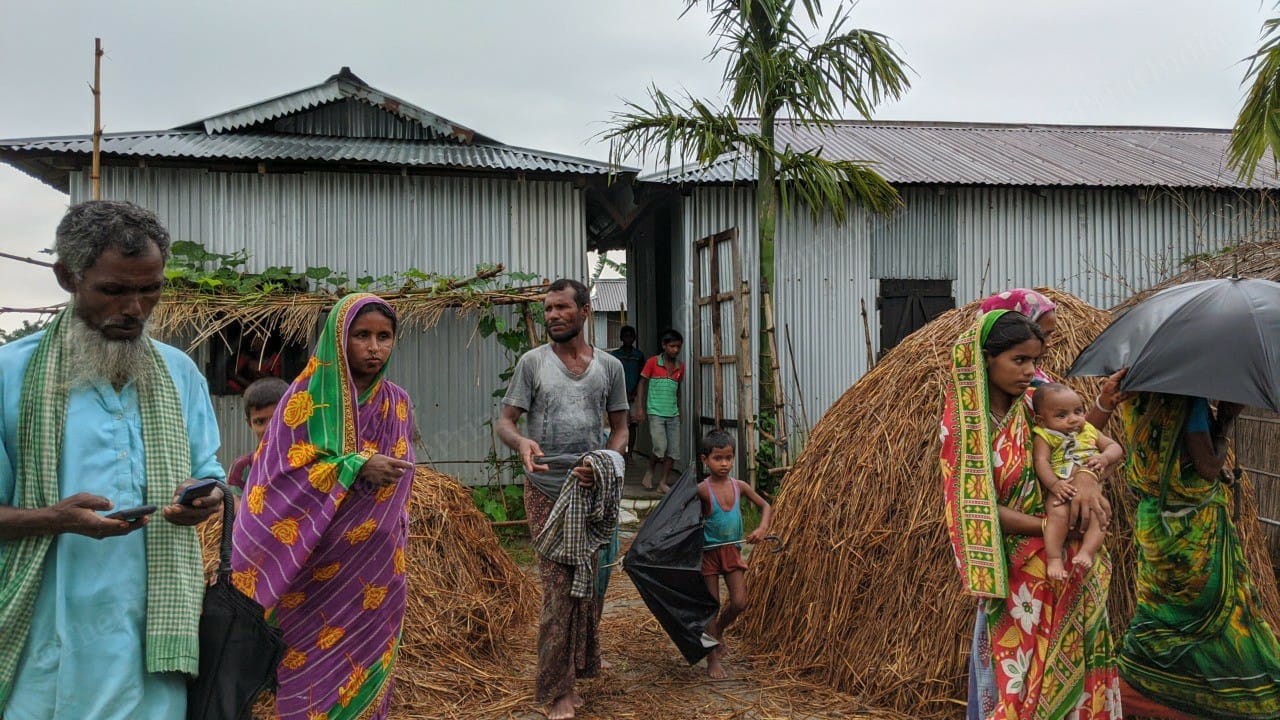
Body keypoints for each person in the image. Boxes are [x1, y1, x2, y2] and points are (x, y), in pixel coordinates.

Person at [0, 200, 224, 719]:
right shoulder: (10, 375)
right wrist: (53, 519)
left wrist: (204, 499)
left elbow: (210, 475)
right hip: (45, 644)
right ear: (67, 277)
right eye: (115, 291)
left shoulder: (179, 372)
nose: (136, 309)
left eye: (151, 290)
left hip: (154, 641)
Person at [231, 294, 418, 720]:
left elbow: (401, 479)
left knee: (370, 667)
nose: (374, 347)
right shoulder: (304, 400)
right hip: (311, 569)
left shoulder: (398, 402)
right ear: (338, 338)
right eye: (362, 335)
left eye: (384, 337)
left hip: (376, 566)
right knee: (307, 677)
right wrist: (354, 465)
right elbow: (277, 478)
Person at [940, 310, 1120, 719]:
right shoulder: (967, 426)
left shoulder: (1034, 407)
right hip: (1018, 577)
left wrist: (1090, 473)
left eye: (1034, 361)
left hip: (1074, 568)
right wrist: (1049, 525)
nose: (1029, 371)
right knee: (1018, 681)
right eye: (1018, 360)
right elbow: (974, 508)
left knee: (1078, 676)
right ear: (987, 358)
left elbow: (1078, 438)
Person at [497, 278, 629, 720]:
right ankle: (557, 691)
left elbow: (622, 428)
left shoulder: (609, 368)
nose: (552, 315)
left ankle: (576, 670)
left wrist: (606, 460)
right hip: (546, 489)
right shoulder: (533, 364)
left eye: (561, 308)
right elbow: (506, 421)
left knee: (587, 588)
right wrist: (521, 445)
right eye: (548, 309)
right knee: (557, 590)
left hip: (592, 491)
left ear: (585, 311)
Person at [1114, 392, 1280, 719]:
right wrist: (1225, 422)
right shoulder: (1188, 402)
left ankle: (1138, 690)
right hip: (1192, 531)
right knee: (1219, 615)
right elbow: (1206, 466)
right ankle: (1236, 699)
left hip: (1153, 527)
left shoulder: (1136, 398)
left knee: (1159, 613)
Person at [696, 429, 772, 680]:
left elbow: (765, 506)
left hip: (732, 551)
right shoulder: (702, 490)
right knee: (711, 606)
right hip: (708, 554)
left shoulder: (739, 486)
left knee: (740, 602)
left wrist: (761, 528)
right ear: (705, 459)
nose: (725, 463)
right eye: (718, 458)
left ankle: (717, 632)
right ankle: (712, 658)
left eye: (729, 458)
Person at [1031, 382, 1123, 581]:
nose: (1073, 419)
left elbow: (1115, 448)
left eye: (1078, 411)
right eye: (1062, 415)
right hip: (1063, 489)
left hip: (1091, 489)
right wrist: (1055, 485)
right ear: (1041, 420)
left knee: (1100, 517)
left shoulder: (1088, 430)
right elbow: (1041, 461)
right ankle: (1054, 558)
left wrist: (1104, 458)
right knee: (1057, 515)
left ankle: (1087, 552)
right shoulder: (1045, 436)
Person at [636, 328, 684, 494]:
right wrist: (640, 407)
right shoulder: (652, 362)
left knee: (674, 451)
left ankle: (662, 482)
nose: (675, 350)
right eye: (672, 346)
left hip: (673, 414)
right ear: (664, 346)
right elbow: (642, 383)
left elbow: (678, 389)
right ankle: (650, 469)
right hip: (655, 412)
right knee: (659, 447)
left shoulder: (680, 366)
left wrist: (680, 409)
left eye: (678, 347)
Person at [225, 376, 290, 497]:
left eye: (277, 419)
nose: (269, 428)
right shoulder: (243, 467)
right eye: (260, 422)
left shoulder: (307, 465)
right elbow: (235, 510)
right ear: (250, 424)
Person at [609, 325, 645, 461]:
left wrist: (634, 392)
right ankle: (618, 453)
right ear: (621, 338)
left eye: (631, 336)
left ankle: (629, 454)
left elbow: (642, 376)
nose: (628, 339)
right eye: (626, 336)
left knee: (633, 425)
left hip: (634, 394)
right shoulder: (616, 356)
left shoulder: (638, 356)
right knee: (618, 424)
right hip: (618, 394)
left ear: (634, 338)